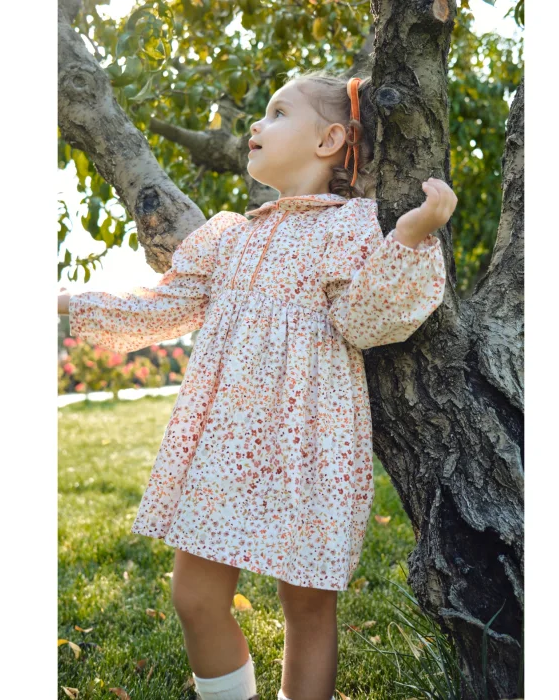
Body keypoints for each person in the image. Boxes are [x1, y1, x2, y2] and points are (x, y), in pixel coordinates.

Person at [58, 70, 456, 700]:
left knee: (307, 605)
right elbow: (165, 305)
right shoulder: (229, 237)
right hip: (224, 438)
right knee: (194, 596)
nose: (255, 124)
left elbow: (362, 322)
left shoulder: (350, 226)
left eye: (277, 113)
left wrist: (409, 236)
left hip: (310, 438)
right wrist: (68, 302)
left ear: (329, 140)